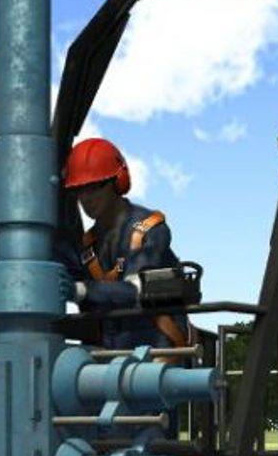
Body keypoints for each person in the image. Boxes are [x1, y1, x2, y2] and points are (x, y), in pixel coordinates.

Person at [60, 137, 194, 351]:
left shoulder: (148, 230)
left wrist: (80, 289)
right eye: (80, 190)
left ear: (118, 181)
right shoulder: (89, 245)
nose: (86, 198)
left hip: (159, 349)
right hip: (112, 352)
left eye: (95, 186)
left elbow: (135, 291)